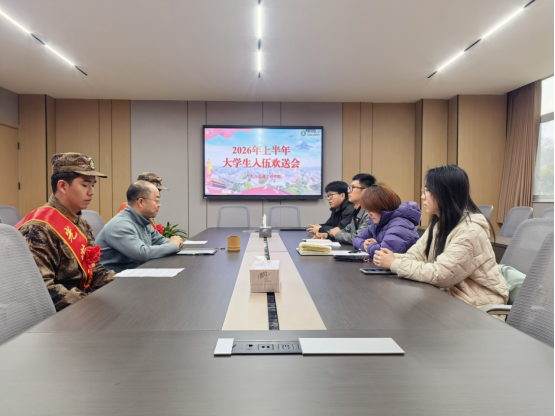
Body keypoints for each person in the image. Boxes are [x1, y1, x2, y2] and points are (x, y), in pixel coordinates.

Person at [374, 165, 509, 309]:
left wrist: (394, 263)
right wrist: (391, 258)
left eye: (427, 190)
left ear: (445, 194)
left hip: (479, 304)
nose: (423, 196)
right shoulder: (439, 223)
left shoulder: (470, 231)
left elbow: (441, 275)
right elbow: (416, 255)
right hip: (453, 295)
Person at [18, 153, 117, 311]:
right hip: (60, 316)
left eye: (93, 185)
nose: (91, 192)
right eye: (85, 185)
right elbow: (42, 290)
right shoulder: (37, 229)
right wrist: (94, 305)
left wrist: (124, 284)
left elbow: (95, 271)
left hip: (82, 306)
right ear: (63, 186)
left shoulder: (82, 224)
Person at [96, 181, 184, 273]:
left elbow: (160, 241)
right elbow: (142, 254)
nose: (159, 205)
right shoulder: (120, 224)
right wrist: (173, 245)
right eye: (156, 200)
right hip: (114, 279)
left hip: (135, 273)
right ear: (141, 202)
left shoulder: (143, 220)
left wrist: (175, 242)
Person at [353, 183, 421, 257]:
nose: (369, 215)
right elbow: (357, 238)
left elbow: (384, 254)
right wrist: (365, 245)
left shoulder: (401, 224)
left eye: (370, 211)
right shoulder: (379, 222)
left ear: (381, 206)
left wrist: (370, 245)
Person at [315, 174, 376, 244]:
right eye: (349, 188)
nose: (348, 191)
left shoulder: (370, 213)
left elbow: (357, 237)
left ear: (364, 191)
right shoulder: (357, 210)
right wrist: (327, 234)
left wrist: (336, 234)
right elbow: (346, 230)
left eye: (352, 188)